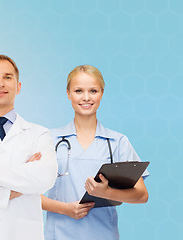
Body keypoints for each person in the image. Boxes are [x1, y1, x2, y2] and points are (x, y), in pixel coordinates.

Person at [42, 65, 149, 240]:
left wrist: (107, 192)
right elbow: (25, 193)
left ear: (102, 93)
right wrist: (65, 209)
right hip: (60, 235)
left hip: (103, 234)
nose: (86, 97)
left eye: (93, 91)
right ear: (68, 93)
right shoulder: (49, 139)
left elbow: (142, 195)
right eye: (78, 91)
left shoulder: (117, 142)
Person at [0, 55, 58, 240]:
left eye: (7, 77)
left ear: (18, 86)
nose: (0, 83)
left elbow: (46, 178)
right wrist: (23, 179)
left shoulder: (38, 134)